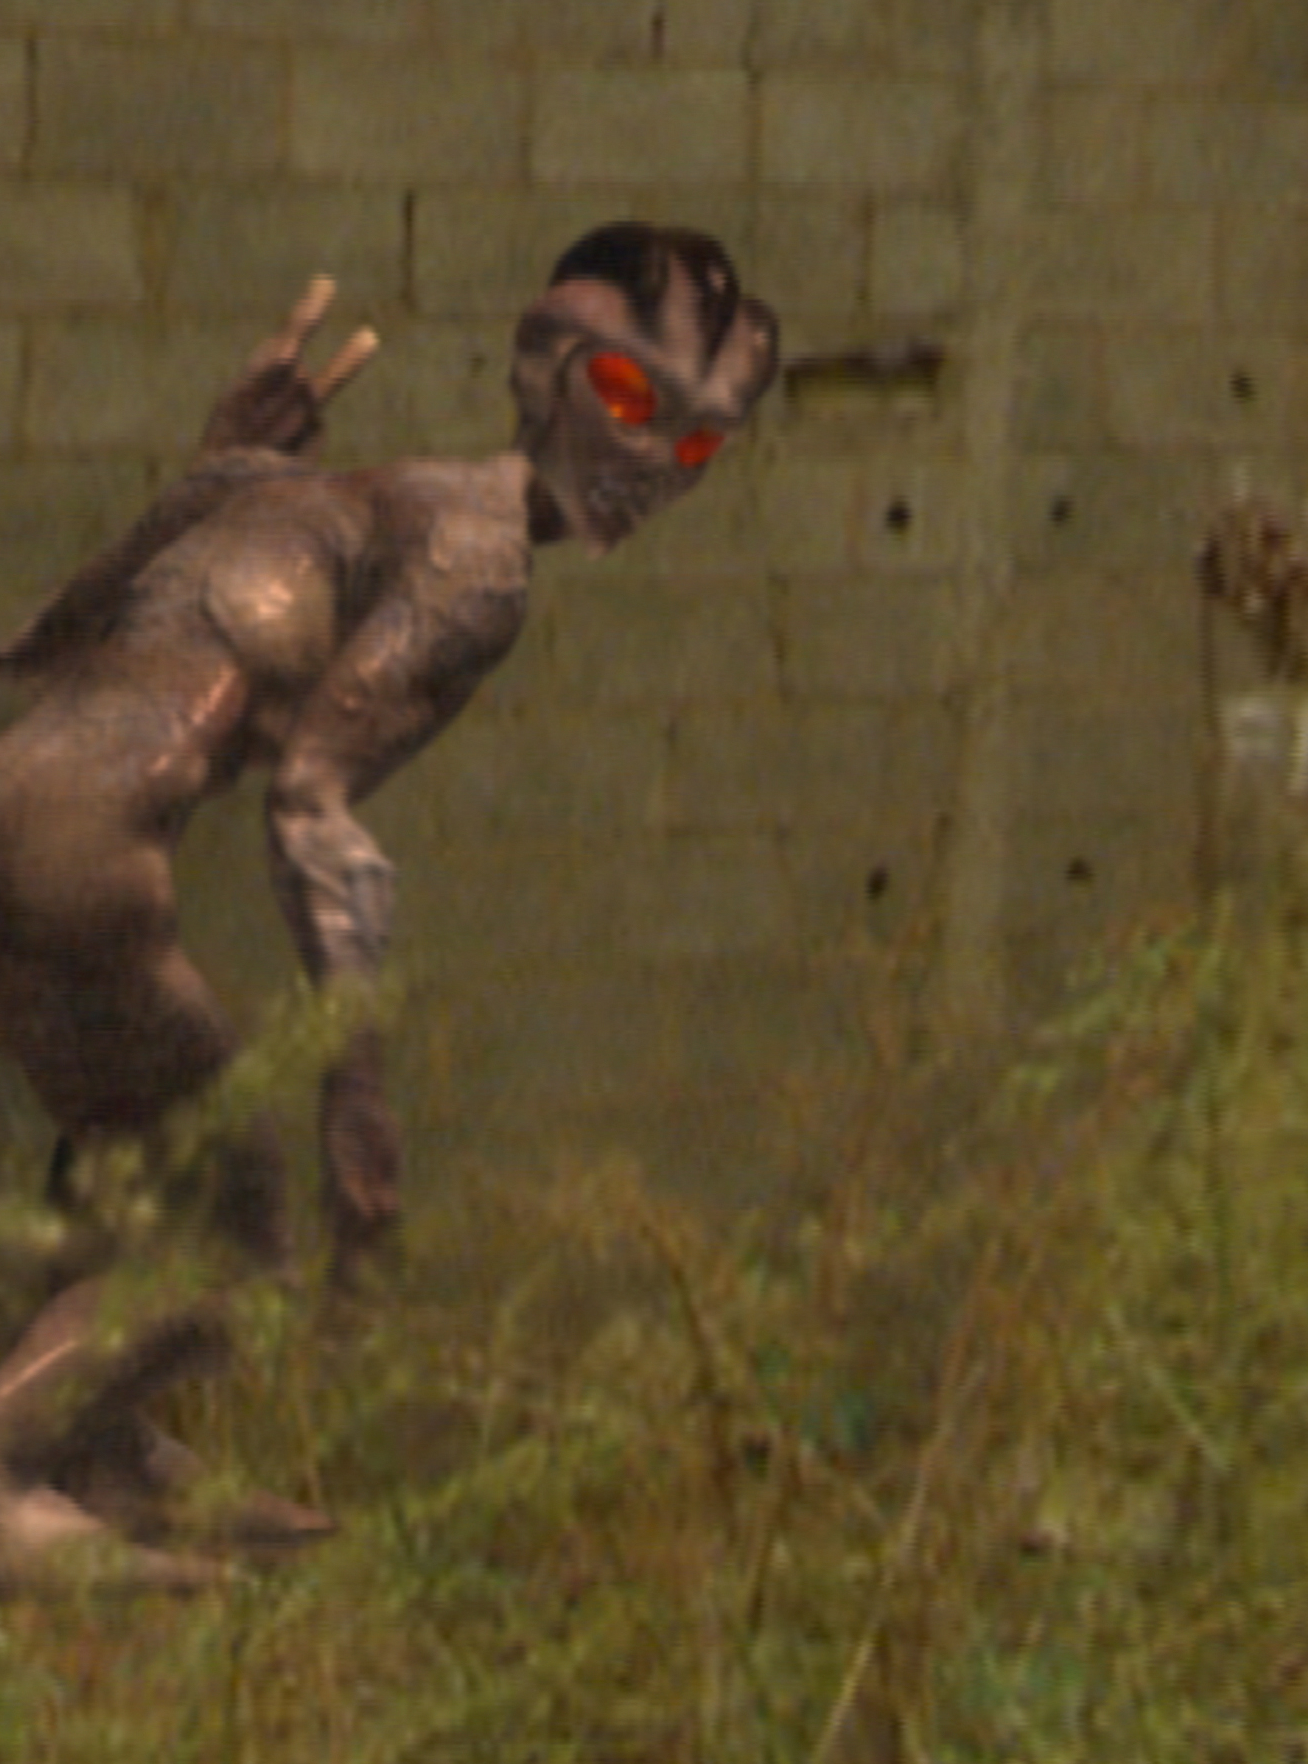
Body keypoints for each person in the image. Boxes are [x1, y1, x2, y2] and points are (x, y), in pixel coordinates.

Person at [0, 223, 778, 1577]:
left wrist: (220, 466)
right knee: (239, 1247)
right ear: (545, 368)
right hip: (77, 857)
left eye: (700, 440)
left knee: (128, 1158)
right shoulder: (479, 562)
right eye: (633, 398)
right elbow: (312, 811)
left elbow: (39, 646)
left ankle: (93, 1451)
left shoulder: (333, 495)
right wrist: (357, 1111)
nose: (658, 459)